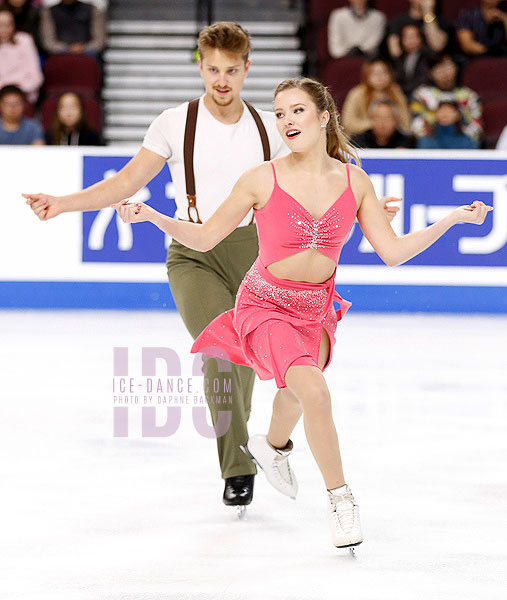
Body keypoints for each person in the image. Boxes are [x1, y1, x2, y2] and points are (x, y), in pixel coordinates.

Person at [23, 22, 399, 517]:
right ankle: (238, 466)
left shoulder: (272, 125)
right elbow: (126, 181)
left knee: (249, 365)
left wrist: (362, 210)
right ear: (200, 66)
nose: (222, 80)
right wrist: (64, 203)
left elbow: (319, 167)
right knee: (224, 357)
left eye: (232, 70)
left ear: (247, 70)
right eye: (213, 69)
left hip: (255, 252)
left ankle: (255, 444)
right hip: (194, 252)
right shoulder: (173, 123)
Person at [107, 77, 492, 551]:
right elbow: (206, 237)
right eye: (280, 113)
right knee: (314, 389)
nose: (287, 121)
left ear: (324, 116)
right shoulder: (260, 177)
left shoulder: (354, 180)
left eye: (297, 111)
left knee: (293, 391)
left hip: (315, 310)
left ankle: (272, 447)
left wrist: (452, 220)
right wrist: (152, 217)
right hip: (264, 304)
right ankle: (341, 500)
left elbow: (391, 252)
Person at [410, 53, 483, 144]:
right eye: (438, 68)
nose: (444, 72)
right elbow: (416, 124)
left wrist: (461, 138)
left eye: (447, 67)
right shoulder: (421, 95)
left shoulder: (468, 96)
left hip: (463, 144)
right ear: (431, 73)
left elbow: (476, 125)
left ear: (455, 68)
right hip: (430, 144)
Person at [341, 58, 411, 136]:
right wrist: (374, 124)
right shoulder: (357, 93)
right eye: (375, 73)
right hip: (363, 138)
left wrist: (390, 126)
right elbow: (348, 123)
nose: (380, 78)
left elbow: (406, 124)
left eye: (384, 73)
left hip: (391, 139)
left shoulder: (396, 92)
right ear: (366, 75)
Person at [0, 6, 43, 104]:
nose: (4, 29)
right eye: (1, 25)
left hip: (24, 95)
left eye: (8, 24)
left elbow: (36, 76)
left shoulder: (25, 40)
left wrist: (17, 90)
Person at [39, 0, 106, 58]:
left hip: (89, 56)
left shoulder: (93, 10)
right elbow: (48, 42)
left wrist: (83, 48)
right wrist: (68, 49)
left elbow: (99, 41)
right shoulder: (49, 12)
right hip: (59, 56)